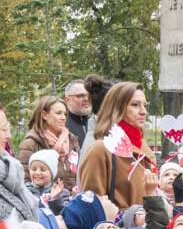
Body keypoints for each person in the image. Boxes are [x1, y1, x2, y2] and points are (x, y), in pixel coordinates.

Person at [77, 81, 159, 209]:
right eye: (135, 105)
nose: (143, 112)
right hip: (118, 227)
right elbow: (91, 206)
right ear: (117, 108)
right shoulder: (100, 149)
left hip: (150, 226)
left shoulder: (144, 148)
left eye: (145, 105)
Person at [16, 96, 80, 191]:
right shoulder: (30, 144)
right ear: (44, 115)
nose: (63, 118)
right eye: (58, 113)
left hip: (73, 202)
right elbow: (24, 183)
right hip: (44, 203)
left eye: (65, 114)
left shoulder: (72, 141)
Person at [64, 79, 95, 147]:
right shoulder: (62, 124)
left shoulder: (96, 123)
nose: (86, 99)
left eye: (89, 95)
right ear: (68, 100)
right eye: (81, 95)